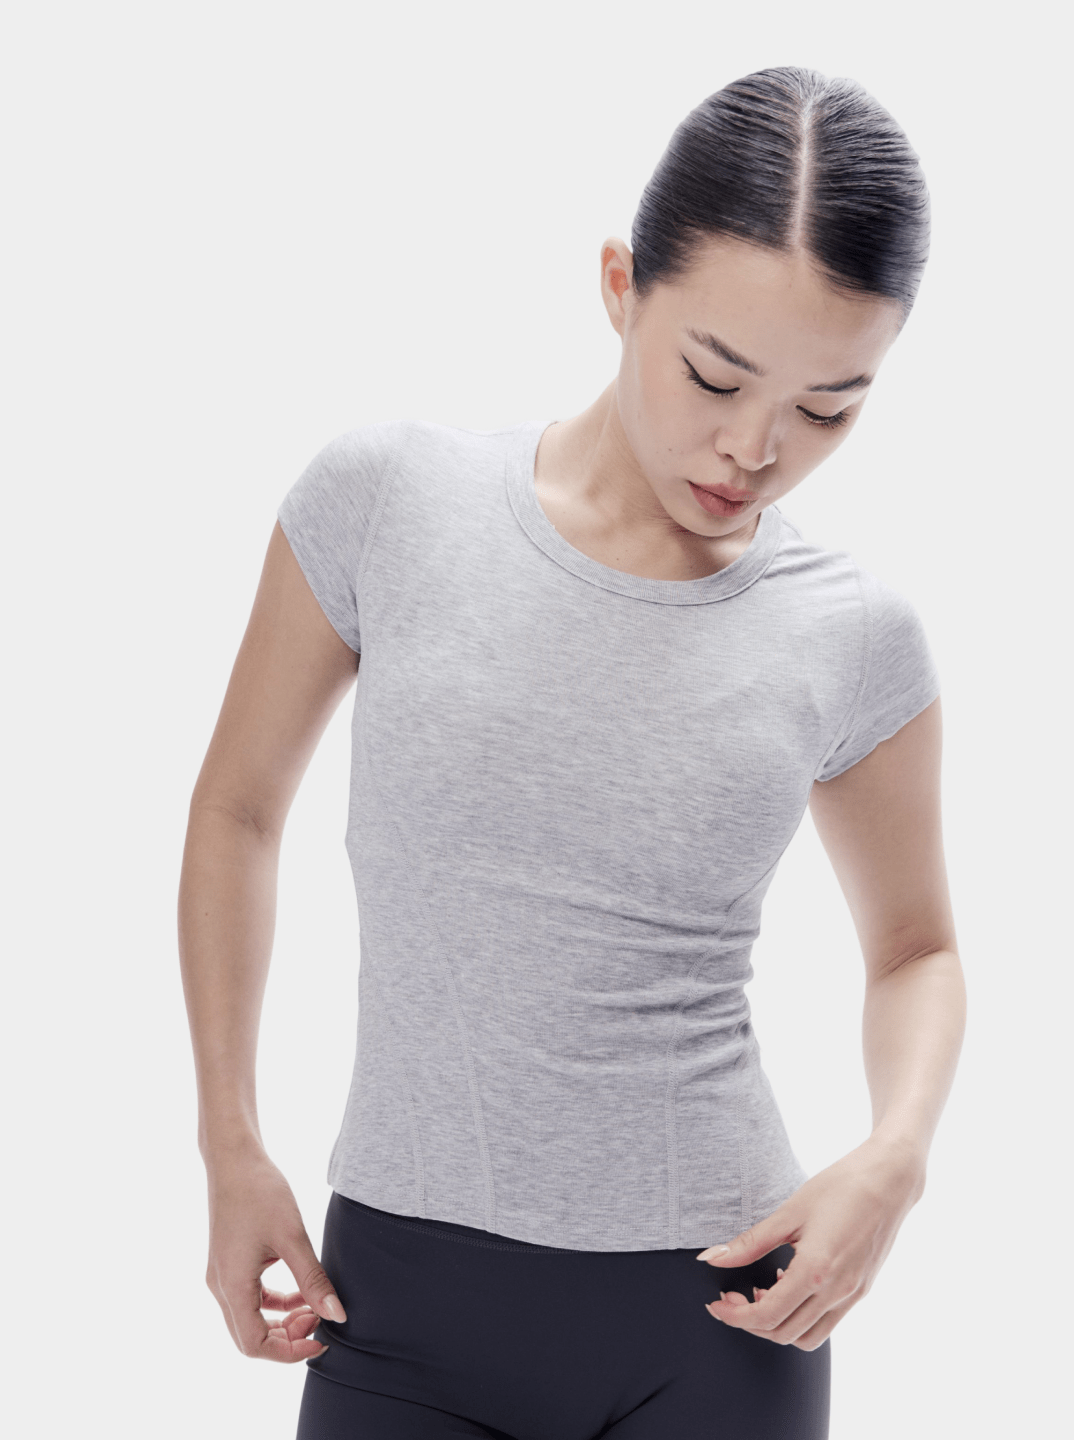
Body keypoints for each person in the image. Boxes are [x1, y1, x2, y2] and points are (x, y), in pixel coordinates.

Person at [179, 64, 966, 1440]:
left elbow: (916, 948)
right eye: (714, 374)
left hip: (720, 1319)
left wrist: (893, 1157)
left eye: (829, 407)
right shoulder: (388, 501)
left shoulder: (854, 634)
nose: (754, 447)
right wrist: (229, 1142)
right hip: (396, 1301)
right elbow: (238, 810)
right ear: (619, 286)